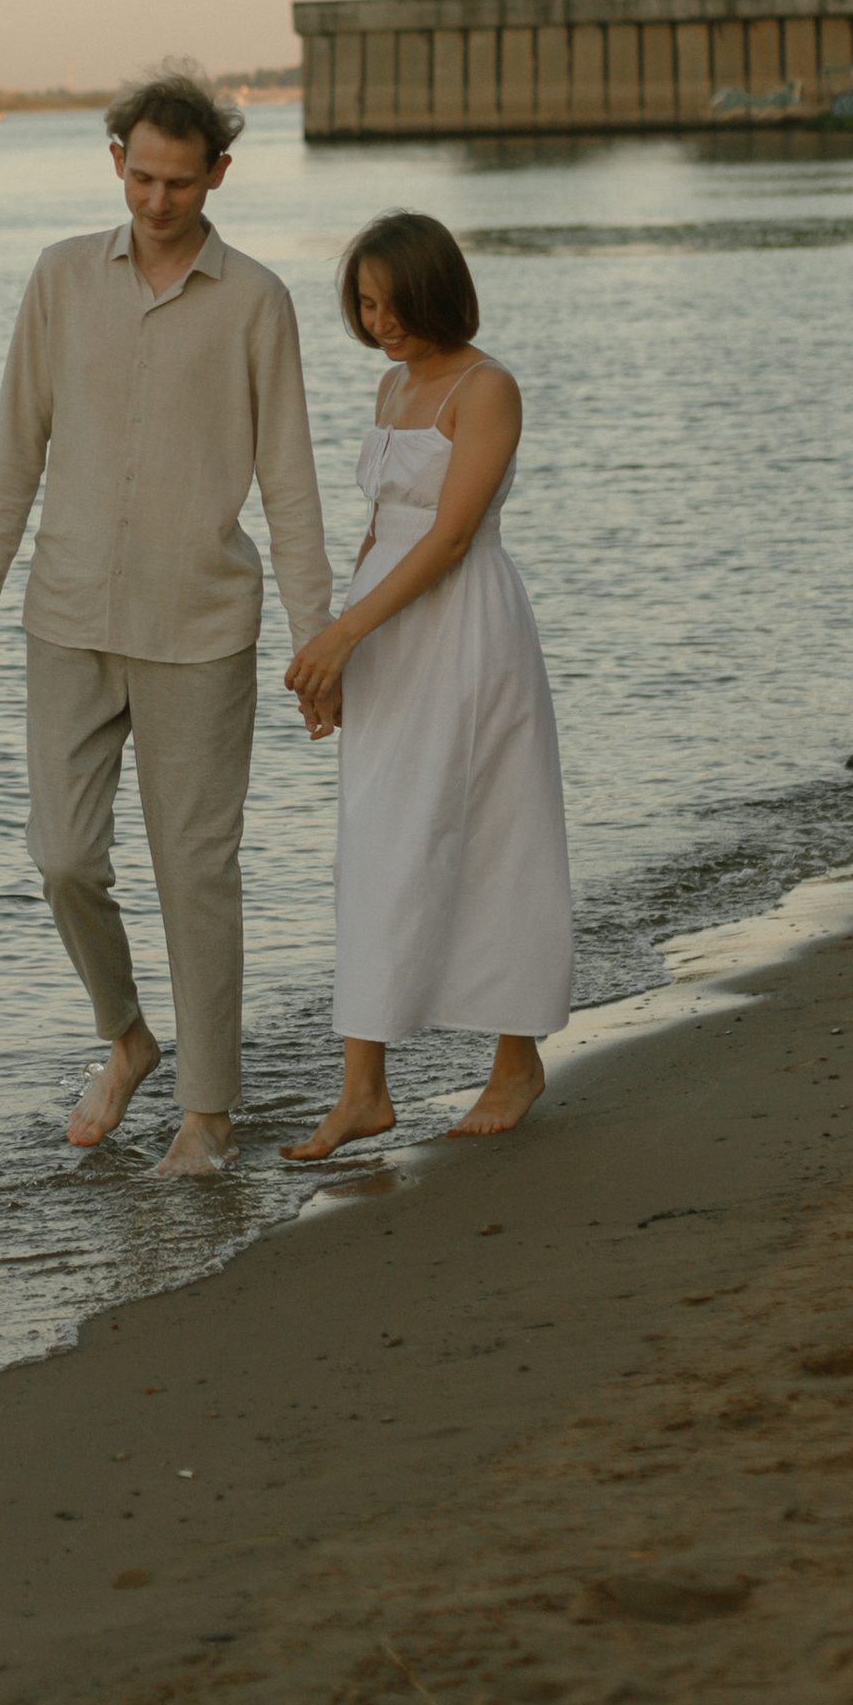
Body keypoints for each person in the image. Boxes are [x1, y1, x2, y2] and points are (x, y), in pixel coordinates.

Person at [0, 67, 333, 1175]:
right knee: (63, 856)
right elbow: (13, 446)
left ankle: (208, 1115)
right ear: (115, 159)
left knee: (194, 871)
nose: (157, 202)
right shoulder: (61, 279)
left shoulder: (256, 300)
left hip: (202, 628)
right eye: (140, 178)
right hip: (65, 615)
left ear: (218, 173)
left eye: (179, 182)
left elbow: (289, 485)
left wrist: (319, 638)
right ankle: (126, 1038)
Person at [281, 210, 573, 1158]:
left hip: (465, 630)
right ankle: (363, 1088)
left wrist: (346, 631)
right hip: (384, 635)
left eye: (394, 304)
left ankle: (515, 1057)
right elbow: (379, 531)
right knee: (373, 842)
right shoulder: (391, 386)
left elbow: (448, 536)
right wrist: (337, 651)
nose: (380, 323)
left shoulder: (488, 388)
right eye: (365, 305)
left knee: (490, 827)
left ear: (437, 291)